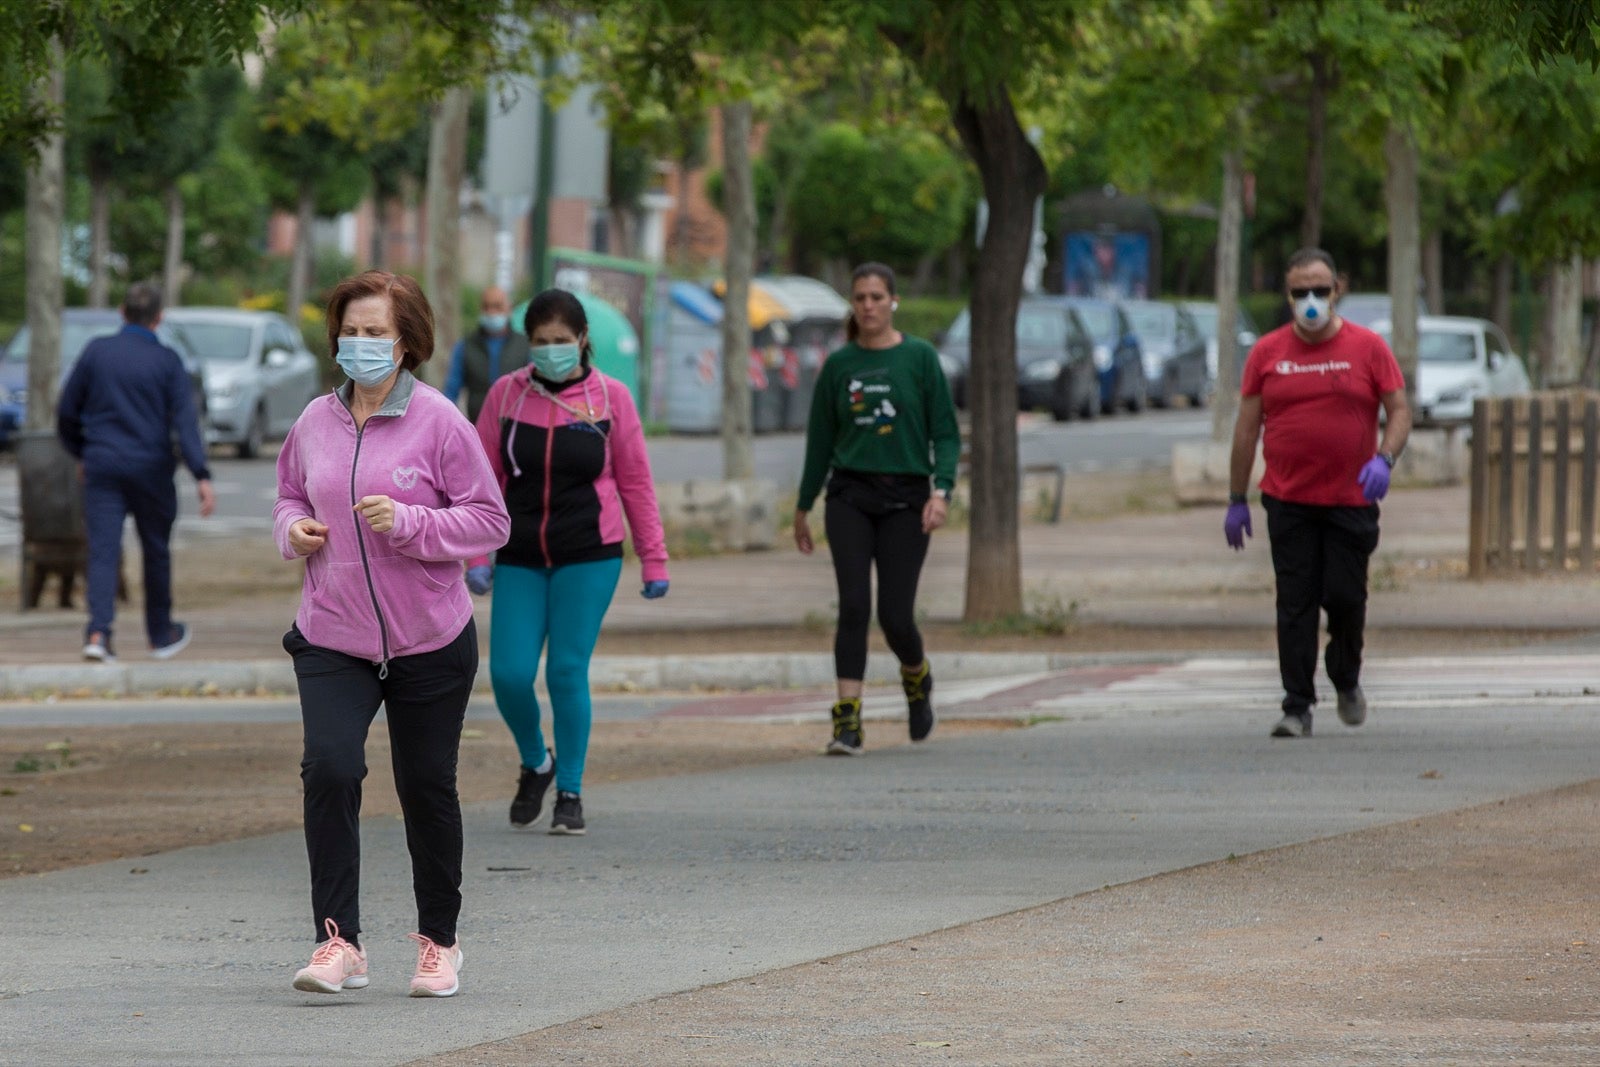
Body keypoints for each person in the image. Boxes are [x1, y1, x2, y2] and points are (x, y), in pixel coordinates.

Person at [273, 270, 510, 998]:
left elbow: (489, 521)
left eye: (376, 332)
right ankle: (337, 942)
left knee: (426, 784)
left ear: (406, 342)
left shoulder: (440, 421)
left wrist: (411, 524)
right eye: (351, 330)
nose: (361, 343)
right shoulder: (315, 420)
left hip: (430, 639)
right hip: (333, 633)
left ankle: (440, 942)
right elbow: (287, 494)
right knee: (331, 769)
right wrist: (295, 530)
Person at [471, 288, 669, 836]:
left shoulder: (611, 399)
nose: (551, 351)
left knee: (564, 670)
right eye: (540, 342)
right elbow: (481, 481)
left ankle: (571, 790)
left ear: (583, 340)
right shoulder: (505, 397)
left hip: (590, 553)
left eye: (561, 341)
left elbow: (635, 483)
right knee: (509, 674)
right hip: (520, 553)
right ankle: (538, 761)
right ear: (527, 344)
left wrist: (653, 558)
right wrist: (477, 553)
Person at [1225, 248, 1412, 739]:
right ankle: (1297, 705)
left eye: (1320, 290)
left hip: (1351, 501)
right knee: (1296, 602)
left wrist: (1385, 459)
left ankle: (1345, 677)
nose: (1310, 300)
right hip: (1288, 500)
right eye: (1299, 292)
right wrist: (1234, 498)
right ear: (1287, 295)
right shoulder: (1267, 353)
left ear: (1338, 289)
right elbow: (1246, 430)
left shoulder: (1368, 347)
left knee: (1346, 598)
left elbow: (1400, 411)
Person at [793, 262, 961, 756]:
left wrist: (942, 492)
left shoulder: (920, 358)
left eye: (876, 297)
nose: (868, 305)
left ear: (893, 302)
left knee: (894, 617)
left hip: (907, 500)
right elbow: (820, 442)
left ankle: (917, 677)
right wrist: (803, 506)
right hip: (849, 496)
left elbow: (946, 434)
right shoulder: (840, 367)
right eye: (860, 297)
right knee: (853, 607)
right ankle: (848, 721)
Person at [56, 282, 216, 663]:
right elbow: (185, 423)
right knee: (156, 550)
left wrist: (82, 451)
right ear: (159, 318)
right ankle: (160, 635)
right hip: (152, 469)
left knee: (103, 551)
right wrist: (201, 474)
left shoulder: (96, 353)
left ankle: (99, 633)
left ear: (121, 312)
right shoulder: (167, 361)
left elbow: (66, 411)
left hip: (102, 465)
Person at [443, 285, 528, 423]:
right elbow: (451, 392)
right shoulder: (465, 347)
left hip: (517, 428)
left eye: (497, 306)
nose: (491, 312)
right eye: (486, 307)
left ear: (509, 309)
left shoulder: (524, 346)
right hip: (478, 427)